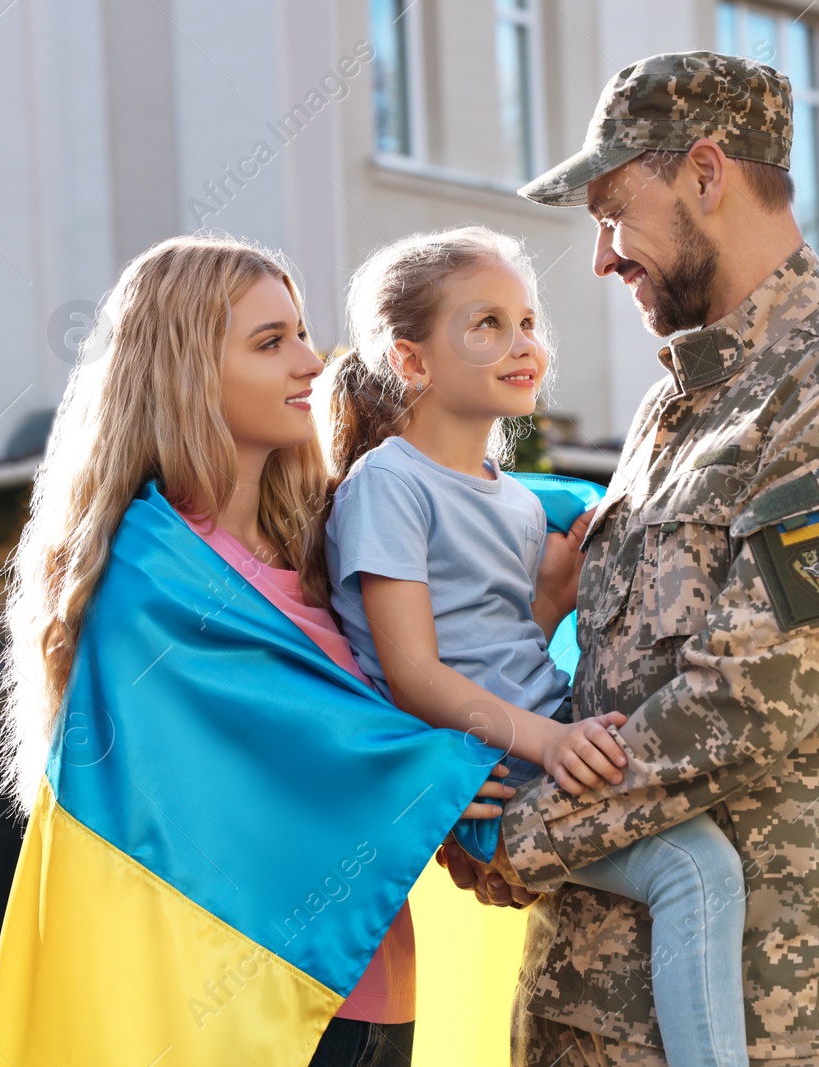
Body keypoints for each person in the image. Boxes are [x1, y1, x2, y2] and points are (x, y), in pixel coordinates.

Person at [439, 51, 819, 1067]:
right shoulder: (673, 406)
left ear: (706, 175)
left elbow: (747, 696)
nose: (599, 258)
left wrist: (516, 834)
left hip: (761, 1029)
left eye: (612, 210)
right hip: (578, 1015)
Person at [0, 234, 513, 1067]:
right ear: (185, 369)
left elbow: (452, 643)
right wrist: (430, 771)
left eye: (302, 332)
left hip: (380, 985)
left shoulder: (324, 547)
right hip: (250, 1014)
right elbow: (253, 761)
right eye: (271, 343)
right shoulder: (148, 576)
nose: (311, 359)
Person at [321, 223, 762, 1067]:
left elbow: (497, 643)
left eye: (526, 322)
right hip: (495, 783)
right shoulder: (388, 482)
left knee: (741, 855)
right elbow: (413, 673)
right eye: (485, 325)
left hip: (540, 745)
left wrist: (551, 600)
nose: (523, 344)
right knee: (697, 873)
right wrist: (553, 740)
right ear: (410, 362)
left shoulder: (517, 504)